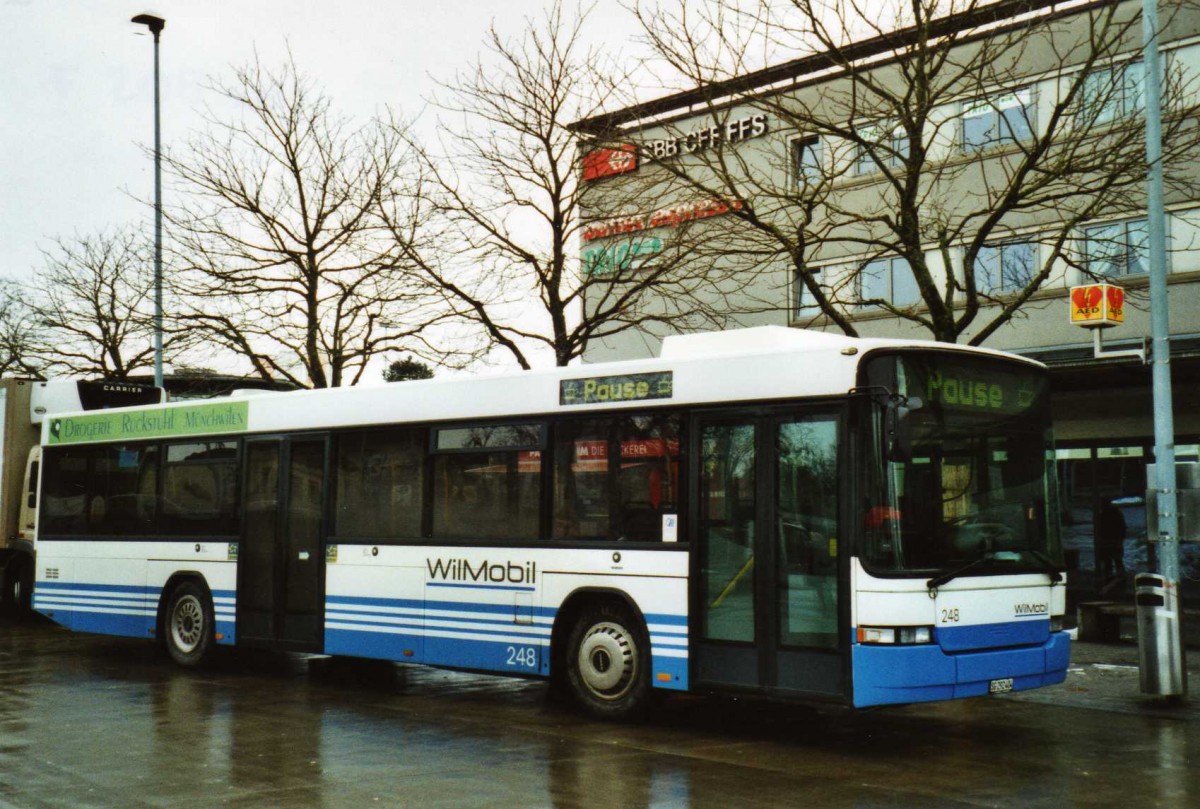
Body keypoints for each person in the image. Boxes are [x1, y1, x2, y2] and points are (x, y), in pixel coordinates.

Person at [1095, 499, 1127, 594]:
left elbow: (1099, 529)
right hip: (1115, 540)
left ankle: (1109, 578)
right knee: (1117, 560)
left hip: (1106, 541)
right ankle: (1120, 578)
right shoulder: (1117, 514)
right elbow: (1123, 527)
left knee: (1107, 562)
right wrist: (1121, 539)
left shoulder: (1102, 515)